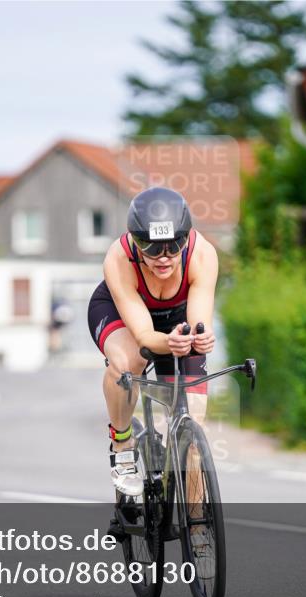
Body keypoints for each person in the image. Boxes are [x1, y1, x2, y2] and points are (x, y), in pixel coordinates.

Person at [86, 187, 218, 495]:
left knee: (194, 433)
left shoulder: (202, 254)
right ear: (134, 240)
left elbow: (198, 321)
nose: (163, 257)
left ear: (186, 238)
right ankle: (122, 444)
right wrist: (167, 343)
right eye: (151, 246)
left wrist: (202, 336)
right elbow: (144, 336)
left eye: (174, 245)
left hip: (177, 318)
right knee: (128, 362)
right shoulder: (119, 258)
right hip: (123, 314)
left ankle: (198, 531)